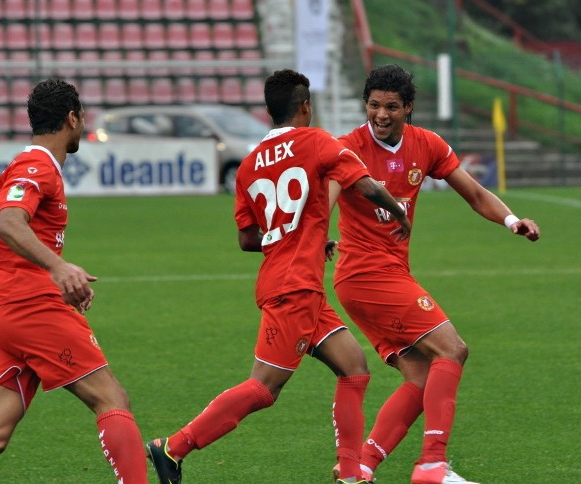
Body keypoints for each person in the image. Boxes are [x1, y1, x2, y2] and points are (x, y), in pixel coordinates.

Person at [146, 69, 412, 484]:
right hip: (294, 288)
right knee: (264, 388)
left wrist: (298, 237)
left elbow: (247, 239)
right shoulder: (318, 141)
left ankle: (349, 474)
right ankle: (173, 447)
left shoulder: (249, 164)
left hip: (291, 280)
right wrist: (399, 211)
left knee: (355, 367)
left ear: (269, 111)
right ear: (306, 106)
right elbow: (366, 185)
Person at [327, 64, 540, 484]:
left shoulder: (427, 144)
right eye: (373, 105)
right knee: (452, 349)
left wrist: (512, 220)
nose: (381, 115)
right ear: (364, 105)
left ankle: (362, 464)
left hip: (382, 275)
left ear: (409, 107)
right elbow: (325, 198)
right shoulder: (346, 148)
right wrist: (318, 233)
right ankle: (432, 465)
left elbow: (476, 194)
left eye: (391, 106)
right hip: (366, 274)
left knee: (424, 379)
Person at [0, 78, 148, 483]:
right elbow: (9, 224)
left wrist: (60, 274)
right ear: (72, 118)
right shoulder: (35, 166)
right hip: (27, 306)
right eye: (82, 116)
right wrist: (58, 269)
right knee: (111, 398)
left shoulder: (34, 166)